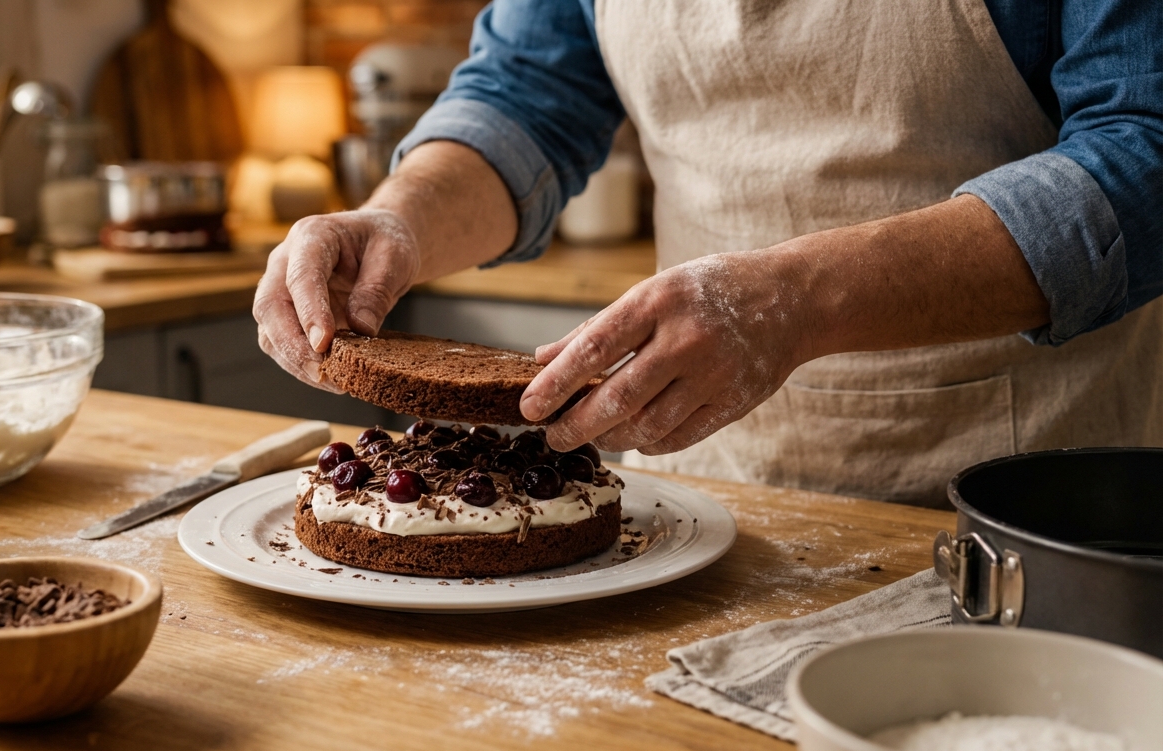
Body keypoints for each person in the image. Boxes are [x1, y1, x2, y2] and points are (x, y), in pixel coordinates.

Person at [254, 0, 1163, 508]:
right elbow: (526, 95)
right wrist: (398, 218)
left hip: (1016, 501)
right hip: (690, 493)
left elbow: (1144, 153)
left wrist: (795, 299)